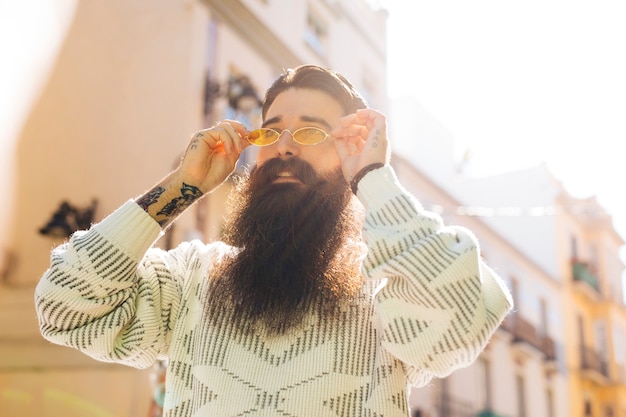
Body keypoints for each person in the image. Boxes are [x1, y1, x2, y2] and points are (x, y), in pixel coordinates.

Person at [35, 64, 513, 417]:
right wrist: (183, 186)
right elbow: (64, 307)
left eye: (311, 131)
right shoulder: (189, 279)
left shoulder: (386, 293)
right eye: (271, 132)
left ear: (350, 152)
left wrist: (373, 178)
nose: (284, 146)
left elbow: (459, 317)